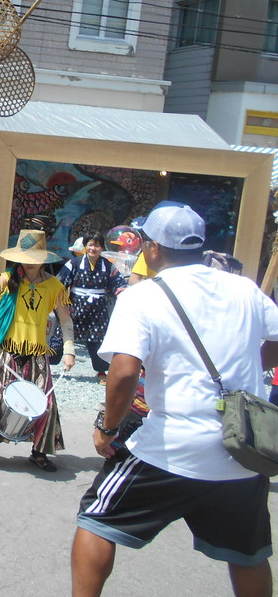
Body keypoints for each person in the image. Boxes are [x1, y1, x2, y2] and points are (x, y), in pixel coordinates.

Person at [72, 202, 278, 597]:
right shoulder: (244, 288)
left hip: (170, 447)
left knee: (96, 519)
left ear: (152, 248)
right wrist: (250, 364)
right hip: (241, 450)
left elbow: (124, 372)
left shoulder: (142, 296)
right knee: (247, 553)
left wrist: (107, 429)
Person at [0, 229, 75, 471]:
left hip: (37, 353)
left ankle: (39, 452)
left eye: (34, 258)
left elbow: (65, 320)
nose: (29, 262)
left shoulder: (54, 285)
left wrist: (69, 350)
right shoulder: (7, 278)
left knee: (46, 403)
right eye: (25, 257)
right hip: (5, 350)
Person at [57, 230, 126, 384]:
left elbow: (118, 283)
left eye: (97, 246)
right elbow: (59, 283)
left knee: (98, 340)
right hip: (75, 308)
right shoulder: (74, 263)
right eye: (90, 245)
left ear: (102, 248)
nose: (93, 249)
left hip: (98, 310)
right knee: (61, 336)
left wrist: (122, 294)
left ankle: (101, 371)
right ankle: (46, 363)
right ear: (85, 246)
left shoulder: (108, 266)